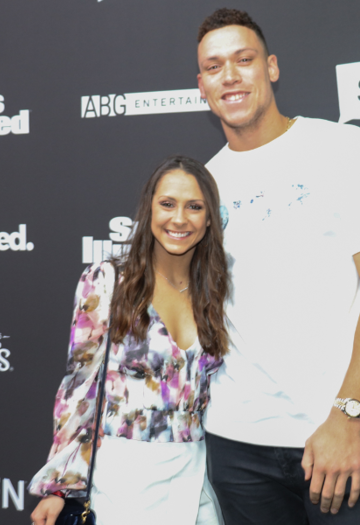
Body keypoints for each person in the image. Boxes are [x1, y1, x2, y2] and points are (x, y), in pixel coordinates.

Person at [196, 8, 360, 525]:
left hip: (338, 437)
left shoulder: (342, 147)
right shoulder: (202, 185)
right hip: (236, 444)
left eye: (243, 59)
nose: (230, 75)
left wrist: (348, 415)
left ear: (271, 67)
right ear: (201, 86)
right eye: (214, 66)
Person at [29, 155, 229, 525]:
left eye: (195, 206)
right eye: (167, 203)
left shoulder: (215, 291)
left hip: (195, 472)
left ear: (209, 217)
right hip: (122, 476)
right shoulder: (108, 281)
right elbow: (79, 386)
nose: (180, 218)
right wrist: (59, 486)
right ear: (148, 208)